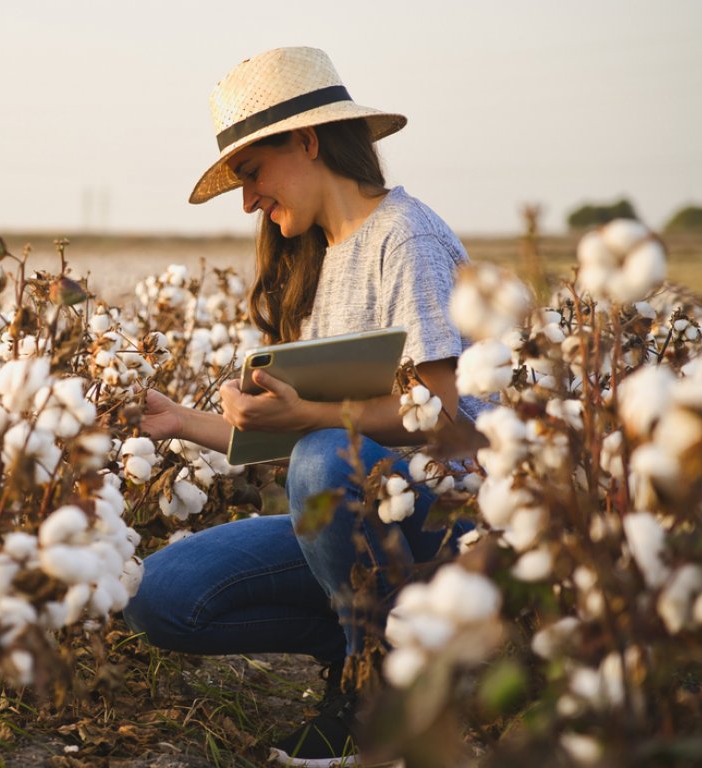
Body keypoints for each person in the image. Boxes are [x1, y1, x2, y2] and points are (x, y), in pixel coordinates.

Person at [121, 47, 484, 767]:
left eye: (252, 173)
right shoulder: (316, 259)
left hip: (451, 525)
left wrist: (312, 423)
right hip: (356, 519)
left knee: (323, 457)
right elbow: (313, 438)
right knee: (156, 594)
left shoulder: (406, 239)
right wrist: (179, 421)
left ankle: (376, 694)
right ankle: (359, 651)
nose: (248, 199)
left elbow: (444, 418)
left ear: (308, 140)